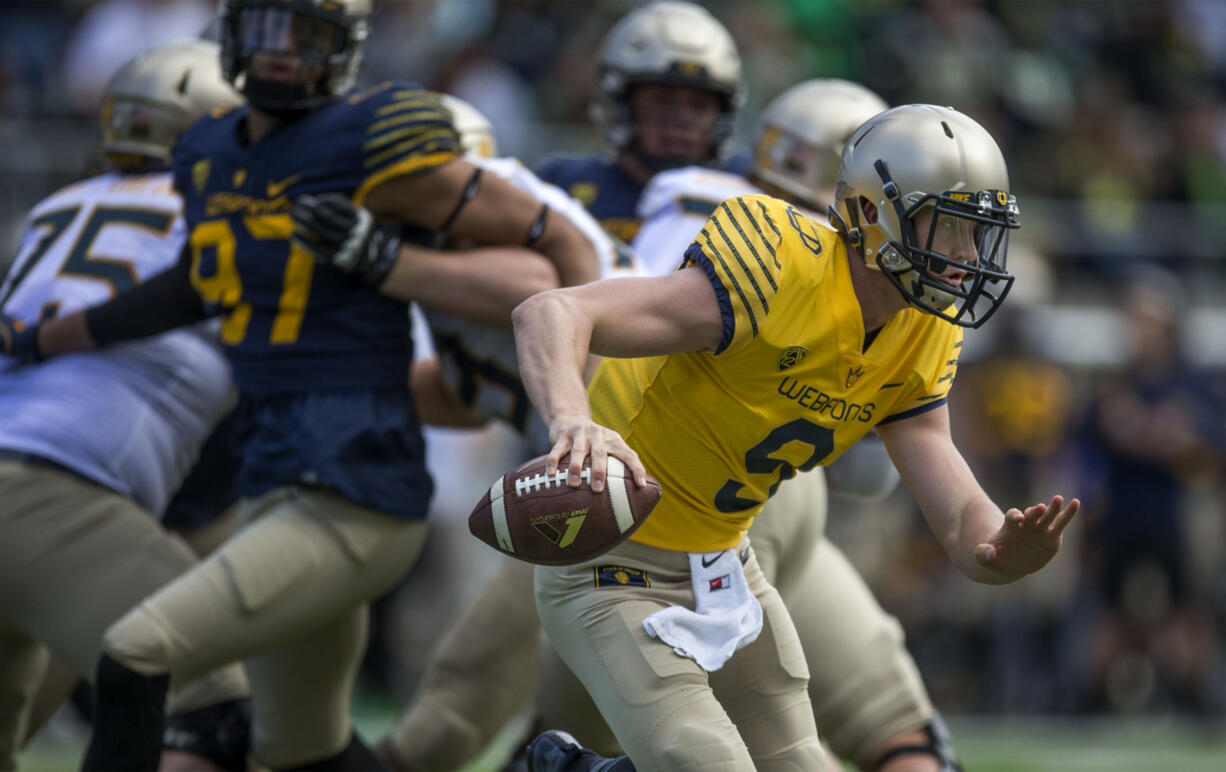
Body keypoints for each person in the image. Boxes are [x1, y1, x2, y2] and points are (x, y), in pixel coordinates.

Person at [3, 0, 600, 769]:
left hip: (353, 483)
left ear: (344, 47)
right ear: (231, 32)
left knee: (137, 652)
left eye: (304, 35)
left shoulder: (370, 135)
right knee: (300, 754)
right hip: (273, 480)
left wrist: (389, 261)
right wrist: (53, 336)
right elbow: (194, 285)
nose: (281, 53)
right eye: (263, 29)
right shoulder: (211, 150)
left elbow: (556, 248)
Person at [375, 84, 960, 772]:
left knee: (511, 716)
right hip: (742, 495)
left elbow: (547, 291)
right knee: (888, 737)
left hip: (670, 494)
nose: (676, 125)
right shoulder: (739, 227)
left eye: (691, 105)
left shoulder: (665, 212)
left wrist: (386, 264)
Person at [512, 104, 1081, 771]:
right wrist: (571, 419)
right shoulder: (779, 267)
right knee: (706, 762)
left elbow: (958, 512)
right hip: (609, 559)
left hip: (725, 564)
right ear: (873, 215)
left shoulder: (924, 328)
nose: (964, 257)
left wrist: (1000, 550)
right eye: (947, 226)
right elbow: (552, 311)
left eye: (975, 232)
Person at [0, 40, 251, 771]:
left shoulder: (60, 204)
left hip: (33, 471)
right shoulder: (232, 212)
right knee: (215, 720)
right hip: (57, 495)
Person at [536, 1, 743, 244]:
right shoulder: (563, 184)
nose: (680, 122)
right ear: (619, 102)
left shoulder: (743, 194)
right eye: (662, 101)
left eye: (698, 106)